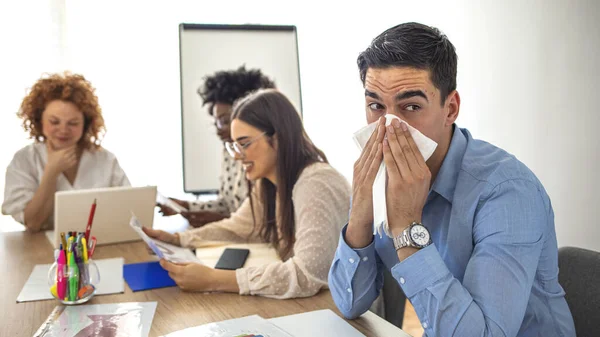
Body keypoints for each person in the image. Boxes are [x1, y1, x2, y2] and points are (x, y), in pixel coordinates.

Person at [328, 22, 576, 336]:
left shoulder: (507, 191)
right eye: (376, 106)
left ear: (451, 108)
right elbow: (350, 303)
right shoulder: (378, 179)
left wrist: (406, 227)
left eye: (412, 106)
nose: (389, 127)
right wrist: (360, 211)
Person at [144, 89, 351, 299]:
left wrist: (213, 279)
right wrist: (177, 239)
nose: (237, 156)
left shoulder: (316, 183)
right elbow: (235, 228)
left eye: (244, 144)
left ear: (277, 138)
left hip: (341, 311)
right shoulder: (269, 184)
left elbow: (307, 274)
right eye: (234, 146)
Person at [2, 72, 130, 232]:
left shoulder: (104, 159)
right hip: (41, 250)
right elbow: (33, 223)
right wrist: (51, 172)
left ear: (86, 123)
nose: (63, 130)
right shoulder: (24, 160)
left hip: (97, 244)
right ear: (39, 120)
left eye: (73, 123)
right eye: (54, 122)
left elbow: (127, 209)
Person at [159, 66, 276, 228]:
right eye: (215, 122)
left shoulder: (267, 158)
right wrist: (186, 206)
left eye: (225, 121)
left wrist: (221, 221)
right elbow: (228, 205)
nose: (218, 130)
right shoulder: (230, 150)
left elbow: (263, 222)